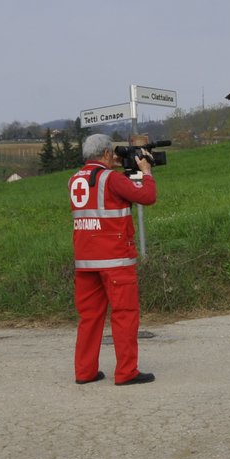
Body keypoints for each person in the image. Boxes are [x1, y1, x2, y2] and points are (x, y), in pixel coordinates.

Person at [69, 132, 158, 386]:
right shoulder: (111, 179)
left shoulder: (75, 179)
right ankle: (126, 372)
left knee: (90, 318)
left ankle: (84, 372)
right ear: (107, 153)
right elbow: (146, 196)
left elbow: (108, 192)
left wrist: (125, 167)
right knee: (125, 314)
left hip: (85, 262)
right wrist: (145, 170)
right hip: (115, 260)